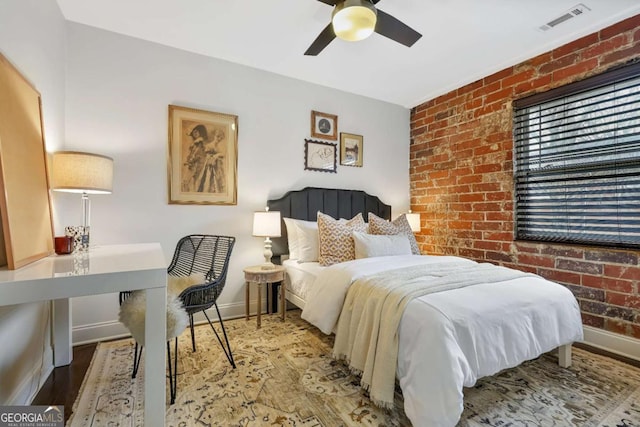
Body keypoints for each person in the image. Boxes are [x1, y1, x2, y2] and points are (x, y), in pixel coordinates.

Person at [182, 124, 207, 192]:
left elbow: (197, 154)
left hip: (197, 164)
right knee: (190, 182)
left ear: (200, 132)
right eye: (194, 132)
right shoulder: (196, 143)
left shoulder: (199, 143)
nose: (194, 133)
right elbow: (193, 153)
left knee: (189, 182)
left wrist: (190, 161)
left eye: (196, 132)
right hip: (195, 164)